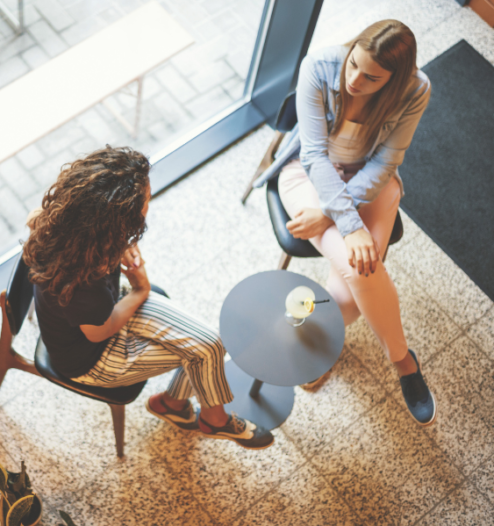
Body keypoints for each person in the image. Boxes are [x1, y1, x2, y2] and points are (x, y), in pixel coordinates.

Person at [22, 146, 274, 449]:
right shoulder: (81, 285)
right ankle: (213, 420)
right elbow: (100, 330)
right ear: (115, 221)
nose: (148, 202)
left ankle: (173, 405)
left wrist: (114, 246)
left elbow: (33, 218)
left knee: (209, 345)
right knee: (202, 352)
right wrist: (141, 289)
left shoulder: (68, 224)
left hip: (105, 308)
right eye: (146, 200)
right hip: (90, 357)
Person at [267, 20, 436, 425]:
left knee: (356, 283)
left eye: (371, 76)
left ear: (395, 80)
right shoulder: (320, 66)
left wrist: (331, 215)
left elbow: (385, 162)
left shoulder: (416, 90)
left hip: (369, 181)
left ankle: (316, 342)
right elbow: (312, 155)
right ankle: (404, 363)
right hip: (309, 175)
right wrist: (349, 223)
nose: (355, 80)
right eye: (353, 64)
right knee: (364, 268)